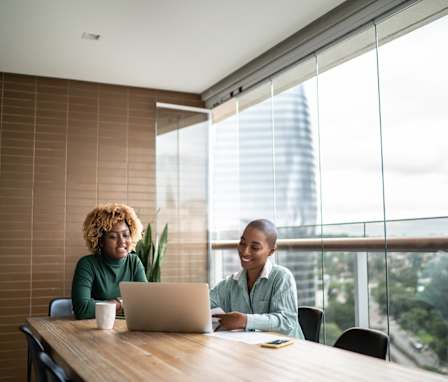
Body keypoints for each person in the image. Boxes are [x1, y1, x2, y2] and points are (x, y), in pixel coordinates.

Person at [211, 219, 304, 338]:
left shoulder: (282, 277)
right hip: (253, 351)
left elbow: (287, 322)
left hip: (288, 351)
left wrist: (244, 320)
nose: (245, 252)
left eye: (254, 248)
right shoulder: (230, 283)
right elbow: (203, 303)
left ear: (271, 251)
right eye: (242, 243)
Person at [72, 203, 147, 319]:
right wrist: (120, 303)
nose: (122, 241)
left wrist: (107, 305)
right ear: (100, 240)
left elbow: (145, 302)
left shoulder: (134, 262)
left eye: (126, 235)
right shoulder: (87, 265)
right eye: (113, 236)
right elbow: (82, 309)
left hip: (128, 329)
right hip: (95, 329)